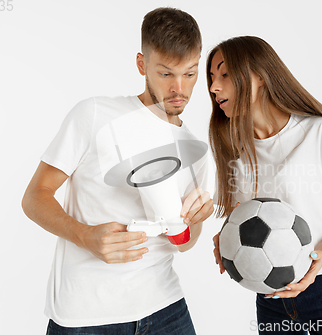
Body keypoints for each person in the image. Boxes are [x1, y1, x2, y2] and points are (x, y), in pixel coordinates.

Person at [22, 7, 214, 334]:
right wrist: (84, 236)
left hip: (165, 307)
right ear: (142, 65)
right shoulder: (94, 114)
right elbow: (34, 197)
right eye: (166, 74)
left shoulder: (194, 148)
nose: (179, 89)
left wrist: (194, 220)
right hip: (86, 316)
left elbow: (184, 243)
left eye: (191, 73)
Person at [209, 36, 322, 334]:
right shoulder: (235, 148)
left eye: (224, 74)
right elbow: (240, 215)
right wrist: (226, 237)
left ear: (258, 75)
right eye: (211, 78)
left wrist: (317, 262)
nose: (214, 87)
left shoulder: (319, 132)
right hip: (269, 294)